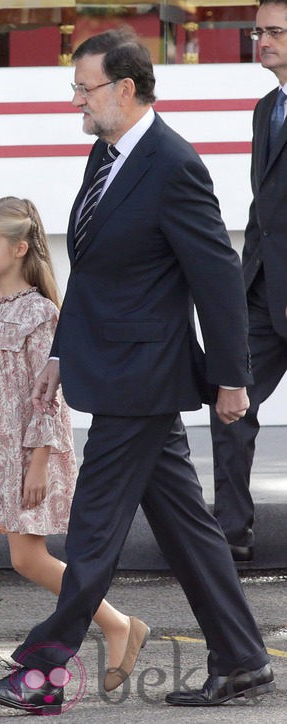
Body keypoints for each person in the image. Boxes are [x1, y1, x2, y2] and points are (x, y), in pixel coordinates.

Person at [0, 29, 274, 714]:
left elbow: (217, 277)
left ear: (125, 89)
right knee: (188, 531)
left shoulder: (171, 164)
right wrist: (58, 353)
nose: (75, 101)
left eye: (85, 88)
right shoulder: (103, 157)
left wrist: (231, 377)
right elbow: (93, 273)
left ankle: (42, 671)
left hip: (145, 376)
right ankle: (243, 661)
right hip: (114, 369)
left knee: (94, 529)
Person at [0, 197, 143, 695]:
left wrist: (41, 461)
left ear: (19, 248)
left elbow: (50, 398)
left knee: (27, 559)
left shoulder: (42, 314)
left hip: (25, 456)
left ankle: (120, 624)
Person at [210, 0, 287, 564]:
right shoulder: (267, 110)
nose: (263, 40)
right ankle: (230, 531)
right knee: (231, 403)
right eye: (258, 30)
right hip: (260, 291)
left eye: (276, 31)